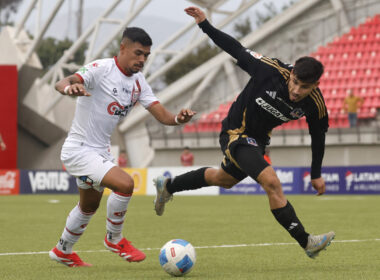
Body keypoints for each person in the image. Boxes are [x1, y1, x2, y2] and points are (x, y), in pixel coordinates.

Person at [153, 6, 334, 260]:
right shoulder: (269, 70)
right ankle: (307, 242)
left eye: (303, 87)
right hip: (235, 132)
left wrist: (316, 174)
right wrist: (204, 24)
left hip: (257, 142)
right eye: (294, 82)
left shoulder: (315, 103)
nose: (295, 91)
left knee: (223, 179)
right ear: (291, 73)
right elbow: (236, 48)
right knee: (272, 182)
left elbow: (319, 137)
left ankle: (168, 186)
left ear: (315, 85)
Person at [49, 27, 195, 267]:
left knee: (88, 206)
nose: (142, 60)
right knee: (126, 184)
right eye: (138, 53)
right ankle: (114, 239)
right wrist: (69, 88)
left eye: (146, 56)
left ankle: (62, 250)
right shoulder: (101, 69)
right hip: (79, 149)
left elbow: (163, 115)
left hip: (100, 151)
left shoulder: (139, 82)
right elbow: (64, 82)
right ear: (123, 48)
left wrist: (179, 119)